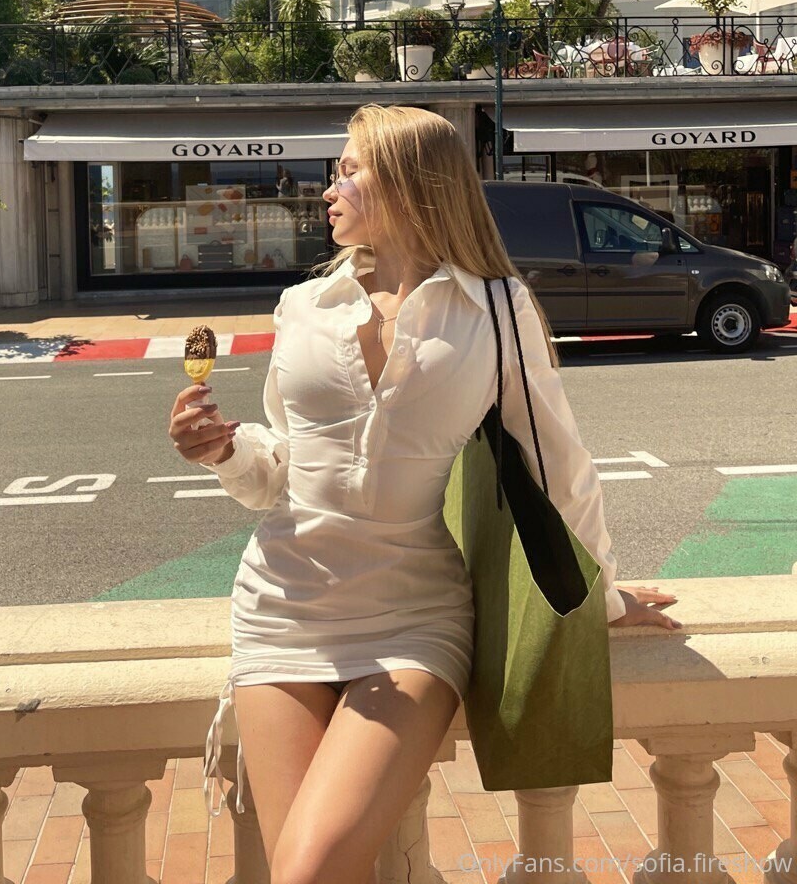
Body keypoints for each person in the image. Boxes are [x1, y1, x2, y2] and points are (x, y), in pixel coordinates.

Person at [168, 103, 681, 884]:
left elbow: (558, 468)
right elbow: (279, 470)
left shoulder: (496, 308)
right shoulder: (303, 307)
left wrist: (600, 597)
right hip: (281, 608)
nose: (328, 188)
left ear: (407, 182)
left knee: (308, 870)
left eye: (348, 170)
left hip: (414, 617)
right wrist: (222, 450)